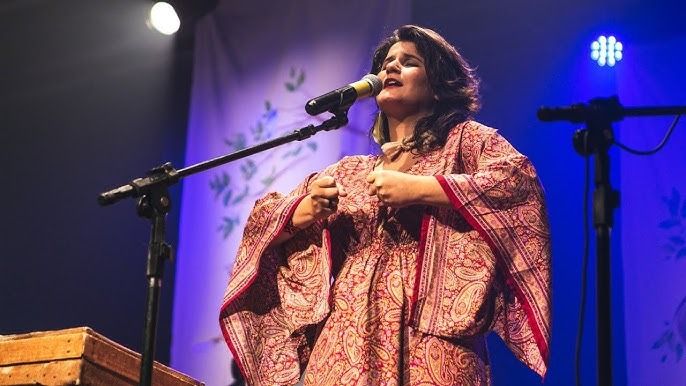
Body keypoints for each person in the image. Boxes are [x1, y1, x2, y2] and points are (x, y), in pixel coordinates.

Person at [220, 25, 551, 386]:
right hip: (347, 341)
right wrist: (307, 210)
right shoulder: (352, 171)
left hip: (432, 340)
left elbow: (517, 182)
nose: (391, 68)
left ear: (438, 85)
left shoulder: (464, 142)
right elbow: (262, 224)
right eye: (387, 63)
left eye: (409, 62)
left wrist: (420, 189)